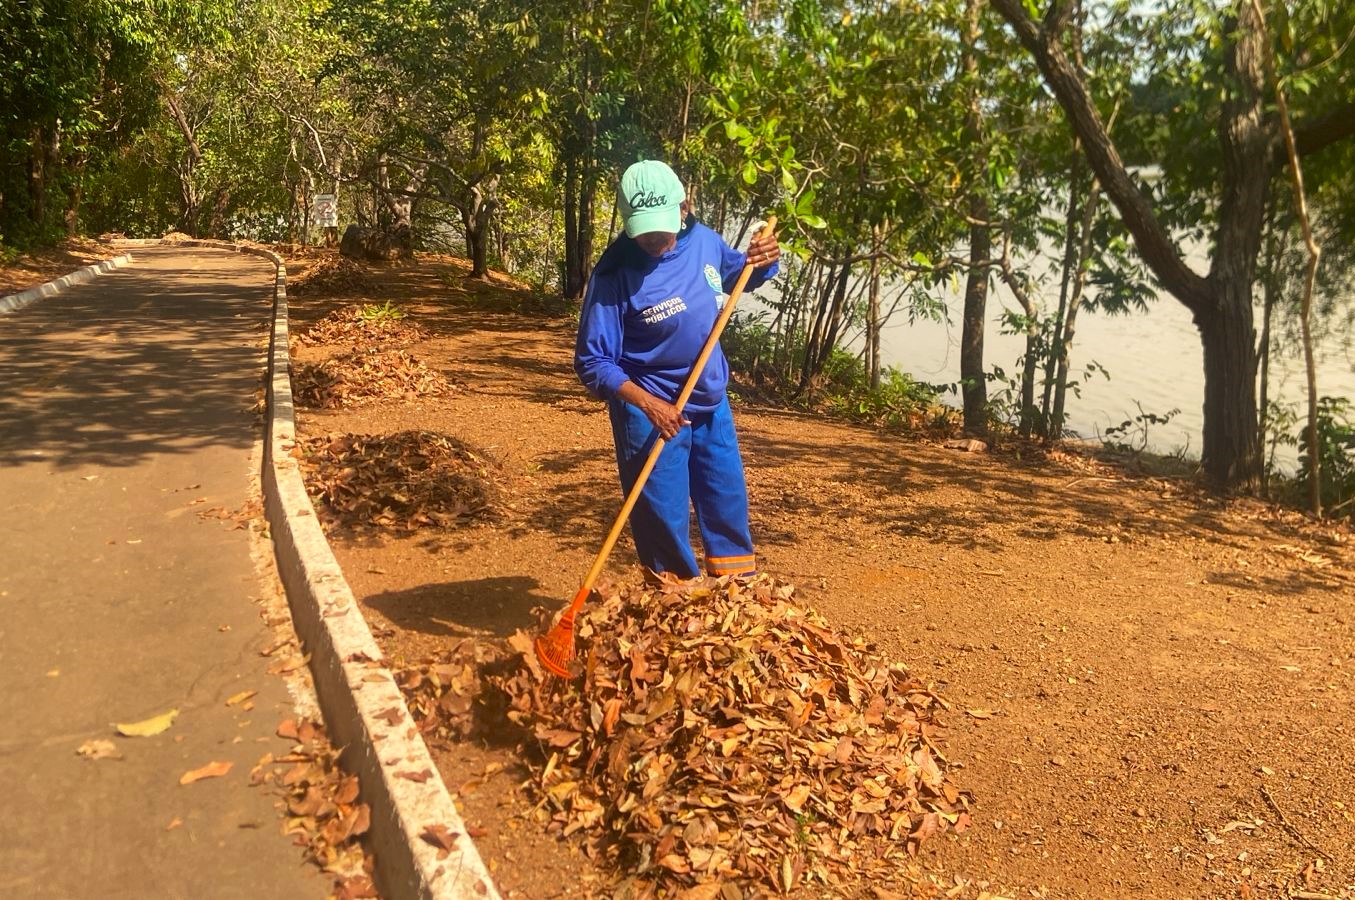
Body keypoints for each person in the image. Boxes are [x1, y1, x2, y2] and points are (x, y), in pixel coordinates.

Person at [574, 160, 780, 581]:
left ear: (684, 206)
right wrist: (650, 406)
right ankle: (675, 607)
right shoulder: (614, 274)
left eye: (661, 225)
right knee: (662, 516)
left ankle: (736, 596)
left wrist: (760, 261)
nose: (652, 237)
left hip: (709, 399)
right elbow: (593, 362)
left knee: (726, 501)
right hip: (650, 410)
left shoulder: (703, 241)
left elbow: (738, 276)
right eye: (643, 227)